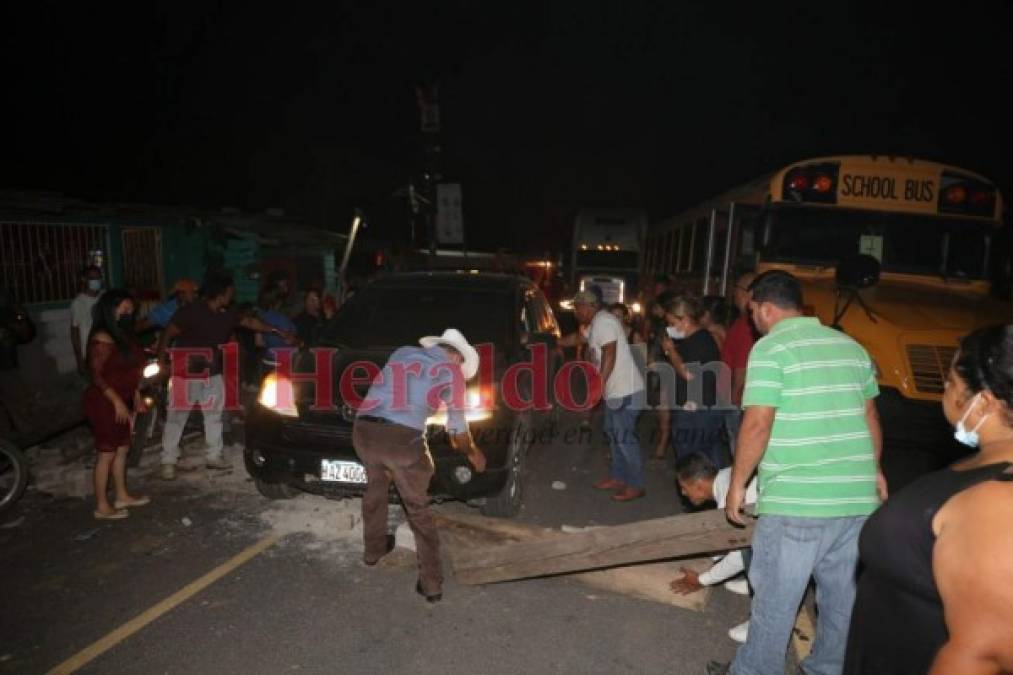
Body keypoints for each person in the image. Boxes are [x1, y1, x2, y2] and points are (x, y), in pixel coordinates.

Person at [711, 270, 887, 675]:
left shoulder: (772, 349)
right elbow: (869, 413)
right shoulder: (851, 347)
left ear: (766, 308)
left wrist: (738, 484)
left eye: (753, 309)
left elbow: (758, 421)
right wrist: (874, 470)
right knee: (842, 603)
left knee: (775, 602)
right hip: (855, 501)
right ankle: (825, 670)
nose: (751, 317)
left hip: (797, 502)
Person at [843, 325, 1013, 674]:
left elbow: (983, 652)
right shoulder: (985, 463)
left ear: (982, 401)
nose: (945, 393)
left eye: (950, 383)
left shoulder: (995, 499)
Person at [353, 328, 487, 602]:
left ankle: (373, 550)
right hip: (401, 441)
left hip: (363, 430)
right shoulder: (453, 374)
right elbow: (458, 431)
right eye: (462, 364)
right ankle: (431, 582)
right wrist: (472, 452)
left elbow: (397, 391)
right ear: (456, 357)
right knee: (417, 507)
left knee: (375, 487)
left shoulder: (402, 351)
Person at [156, 273, 292, 480]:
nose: (233, 295)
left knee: (214, 416)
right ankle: (168, 461)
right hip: (185, 371)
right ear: (221, 293)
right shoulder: (191, 311)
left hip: (212, 371)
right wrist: (161, 360)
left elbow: (251, 322)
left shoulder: (227, 314)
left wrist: (277, 331)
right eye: (230, 291)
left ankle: (213, 456)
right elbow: (168, 333)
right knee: (177, 416)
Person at [670, 452, 758, 643]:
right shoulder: (726, 475)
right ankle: (754, 581)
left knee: (751, 547)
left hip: (791, 527)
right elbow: (728, 539)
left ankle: (760, 627)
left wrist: (702, 580)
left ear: (699, 485)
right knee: (745, 539)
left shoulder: (729, 501)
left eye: (684, 488)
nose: (683, 493)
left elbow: (737, 555)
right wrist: (714, 557)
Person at [82, 289, 150, 519]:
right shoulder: (102, 337)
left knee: (122, 449)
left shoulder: (124, 335)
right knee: (107, 453)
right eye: (124, 308)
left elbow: (133, 370)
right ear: (110, 309)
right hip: (105, 401)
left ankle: (121, 495)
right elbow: (96, 375)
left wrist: (136, 396)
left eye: (131, 309)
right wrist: (117, 402)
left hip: (125, 397)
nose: (128, 313)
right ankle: (101, 505)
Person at [575, 290, 648, 502]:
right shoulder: (598, 324)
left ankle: (636, 484)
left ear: (587, 307)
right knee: (614, 434)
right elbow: (579, 338)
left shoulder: (604, 322)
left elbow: (609, 352)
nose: (575, 313)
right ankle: (618, 477)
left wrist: (598, 384)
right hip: (616, 392)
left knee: (624, 438)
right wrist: (554, 341)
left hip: (626, 391)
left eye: (577, 308)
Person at [661, 295, 727, 468]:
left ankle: (700, 493)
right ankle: (714, 493)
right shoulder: (693, 339)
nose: (670, 328)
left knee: (693, 462)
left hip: (696, 412)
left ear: (685, 319)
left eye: (672, 322)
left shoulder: (700, 340)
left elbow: (688, 374)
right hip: (699, 410)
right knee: (707, 458)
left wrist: (671, 351)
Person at [720, 272, 757, 456]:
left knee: (738, 447)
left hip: (737, 398)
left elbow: (741, 365)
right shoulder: (743, 323)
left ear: (744, 293)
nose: (733, 294)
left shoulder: (745, 326)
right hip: (738, 396)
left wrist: (734, 397)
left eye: (736, 289)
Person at [70, 265, 103, 376]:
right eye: (92, 278)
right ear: (84, 280)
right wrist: (79, 360)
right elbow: (75, 333)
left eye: (98, 278)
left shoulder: (104, 298)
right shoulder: (78, 303)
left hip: (106, 350)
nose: (96, 281)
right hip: (89, 354)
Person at [256, 287, 298, 364]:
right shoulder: (282, 319)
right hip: (284, 362)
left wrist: (271, 343)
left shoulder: (260, 318)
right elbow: (289, 340)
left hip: (267, 360)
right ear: (278, 301)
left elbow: (258, 342)